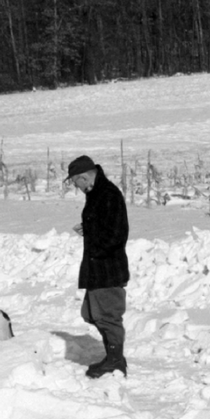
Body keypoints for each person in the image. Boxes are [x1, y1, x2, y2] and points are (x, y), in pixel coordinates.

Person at [67, 154, 130, 379]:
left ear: (84, 177)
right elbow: (106, 224)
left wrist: (96, 245)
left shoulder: (108, 194)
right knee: (91, 314)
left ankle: (115, 362)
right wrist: (89, 226)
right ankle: (114, 356)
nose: (77, 187)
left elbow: (117, 234)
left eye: (76, 183)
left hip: (108, 269)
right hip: (97, 268)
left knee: (108, 317)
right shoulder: (97, 193)